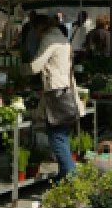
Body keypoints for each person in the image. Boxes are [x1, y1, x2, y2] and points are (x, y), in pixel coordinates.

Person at [28, 13, 84, 180]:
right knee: (63, 136)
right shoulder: (63, 40)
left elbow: (34, 67)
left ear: (39, 28)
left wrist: (19, 69)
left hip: (56, 94)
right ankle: (63, 176)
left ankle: (72, 177)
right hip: (66, 91)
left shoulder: (48, 41)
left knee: (57, 138)